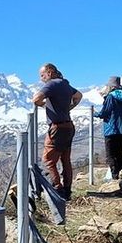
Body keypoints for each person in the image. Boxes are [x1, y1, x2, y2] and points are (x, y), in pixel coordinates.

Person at [32, 63, 82, 199]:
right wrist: (69, 107)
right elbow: (79, 95)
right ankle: (67, 190)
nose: (41, 78)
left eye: (42, 75)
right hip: (68, 125)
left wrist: (43, 105)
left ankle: (57, 191)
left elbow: (36, 99)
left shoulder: (52, 84)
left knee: (48, 160)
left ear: (49, 72)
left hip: (57, 128)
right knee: (65, 160)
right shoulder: (65, 84)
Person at [97, 76, 122, 180]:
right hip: (121, 129)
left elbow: (105, 112)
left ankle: (114, 176)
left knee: (110, 155)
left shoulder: (110, 97)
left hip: (110, 129)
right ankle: (121, 173)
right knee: (118, 153)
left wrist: (95, 114)